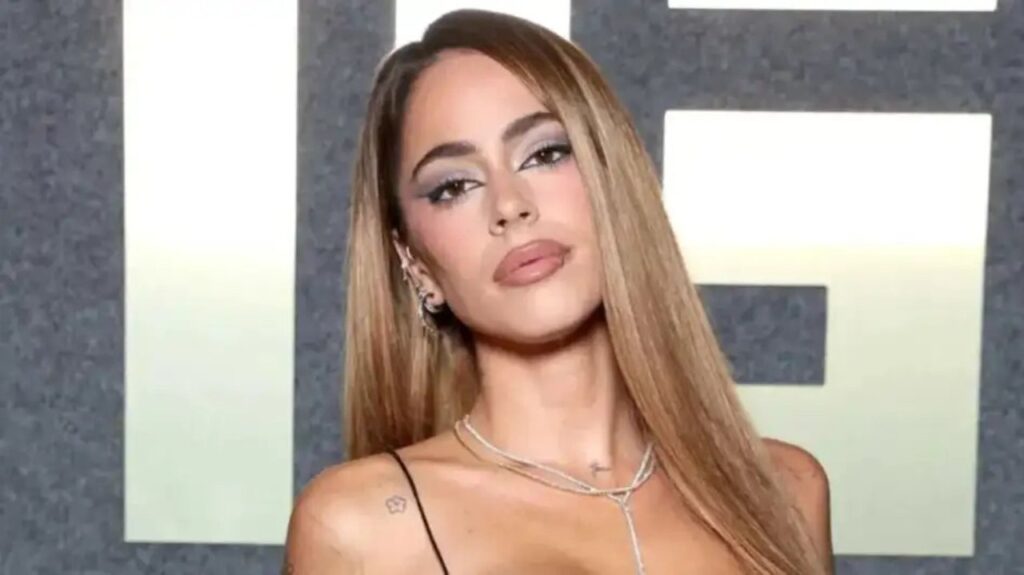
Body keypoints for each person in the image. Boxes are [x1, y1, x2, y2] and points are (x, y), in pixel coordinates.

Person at [282, 9, 833, 574]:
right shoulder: (363, 528)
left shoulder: (787, 490)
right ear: (416, 263)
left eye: (545, 154)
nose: (509, 205)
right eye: (454, 186)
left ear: (611, 176)